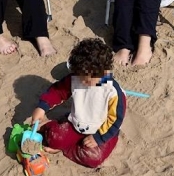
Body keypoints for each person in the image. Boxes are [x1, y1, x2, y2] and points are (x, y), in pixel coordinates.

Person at [31, 38, 126, 168]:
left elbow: (115, 120)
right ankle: (65, 144)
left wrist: (98, 138)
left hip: (101, 131)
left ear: (102, 72)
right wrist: (42, 107)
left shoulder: (112, 92)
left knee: (93, 158)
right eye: (79, 76)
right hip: (76, 124)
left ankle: (66, 147)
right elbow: (58, 91)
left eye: (85, 79)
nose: (81, 81)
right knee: (53, 137)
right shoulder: (77, 77)